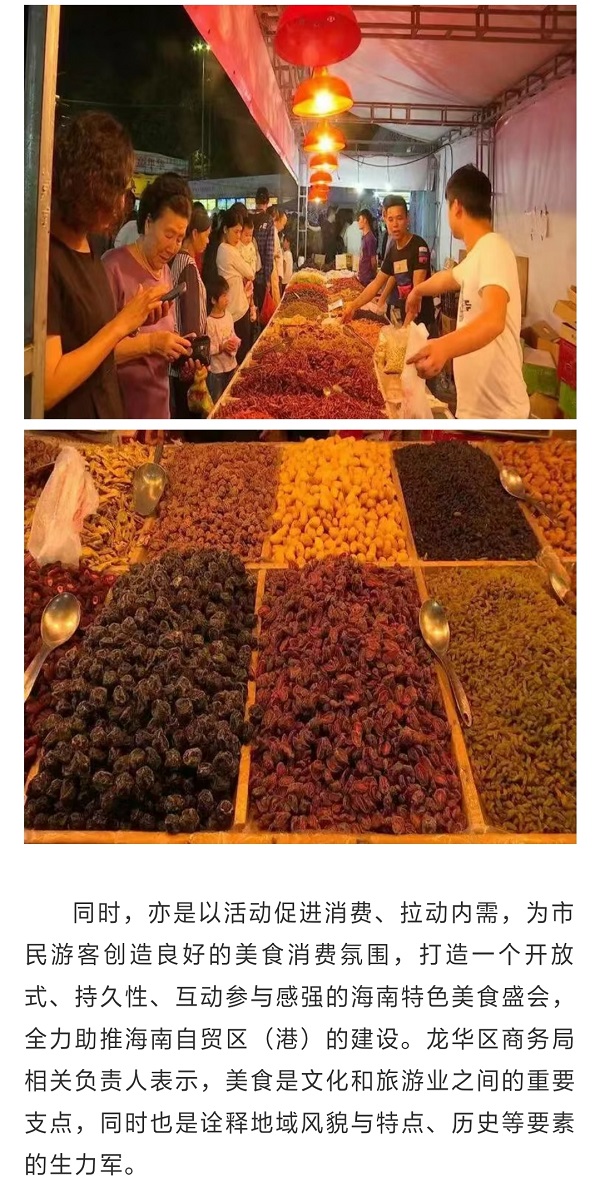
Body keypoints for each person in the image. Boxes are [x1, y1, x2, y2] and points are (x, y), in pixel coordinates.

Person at [45, 112, 170, 419]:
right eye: (118, 191)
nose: (121, 205)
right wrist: (120, 325)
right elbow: (47, 387)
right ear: (91, 187)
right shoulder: (46, 260)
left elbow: (94, 344)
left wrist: (136, 319)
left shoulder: (90, 243)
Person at [405, 165, 530, 419]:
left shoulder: (494, 248)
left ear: (457, 206)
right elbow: (446, 279)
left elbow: (494, 320)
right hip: (477, 411)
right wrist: (417, 291)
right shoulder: (477, 256)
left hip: (499, 415)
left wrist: (444, 347)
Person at [102, 173, 194, 418]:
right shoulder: (112, 267)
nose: (173, 247)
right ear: (148, 222)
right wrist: (152, 344)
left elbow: (162, 337)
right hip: (122, 417)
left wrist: (178, 350)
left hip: (158, 411)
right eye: (168, 235)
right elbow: (97, 353)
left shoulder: (165, 272)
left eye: (180, 239)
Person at [342, 195, 434, 332]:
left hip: (423, 326)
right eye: (390, 219)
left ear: (408, 218)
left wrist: (404, 331)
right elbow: (376, 284)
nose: (395, 224)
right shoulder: (393, 251)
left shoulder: (419, 246)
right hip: (408, 321)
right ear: (385, 220)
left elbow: (417, 293)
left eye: (399, 218)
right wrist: (353, 306)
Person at [169, 206, 212, 418]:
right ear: (194, 233)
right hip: (187, 365)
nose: (208, 240)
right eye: (206, 235)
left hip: (178, 360)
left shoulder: (178, 260)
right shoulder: (189, 267)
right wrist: (196, 362)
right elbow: (192, 323)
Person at [203, 207, 254, 362]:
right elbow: (250, 273)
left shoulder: (226, 248)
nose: (238, 236)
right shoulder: (227, 250)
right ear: (225, 229)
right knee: (241, 357)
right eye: (235, 231)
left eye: (240, 232)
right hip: (236, 311)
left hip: (237, 307)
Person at [206, 276, 241, 403]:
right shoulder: (209, 322)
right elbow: (208, 349)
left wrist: (236, 342)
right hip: (217, 371)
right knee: (218, 402)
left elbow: (232, 334)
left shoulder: (229, 316)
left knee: (232, 400)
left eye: (227, 295)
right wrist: (222, 347)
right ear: (213, 300)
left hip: (231, 365)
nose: (228, 299)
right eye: (224, 296)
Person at [253, 186, 274, 314]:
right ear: (268, 202)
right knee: (262, 310)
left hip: (247, 275)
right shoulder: (268, 220)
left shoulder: (247, 218)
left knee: (250, 309)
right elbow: (269, 253)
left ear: (255, 200)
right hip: (261, 276)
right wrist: (267, 279)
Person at [357, 208, 378, 287]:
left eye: (359, 219)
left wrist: (374, 275)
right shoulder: (364, 237)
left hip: (367, 278)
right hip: (363, 276)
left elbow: (373, 260)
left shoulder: (370, 238)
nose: (358, 222)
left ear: (365, 220)